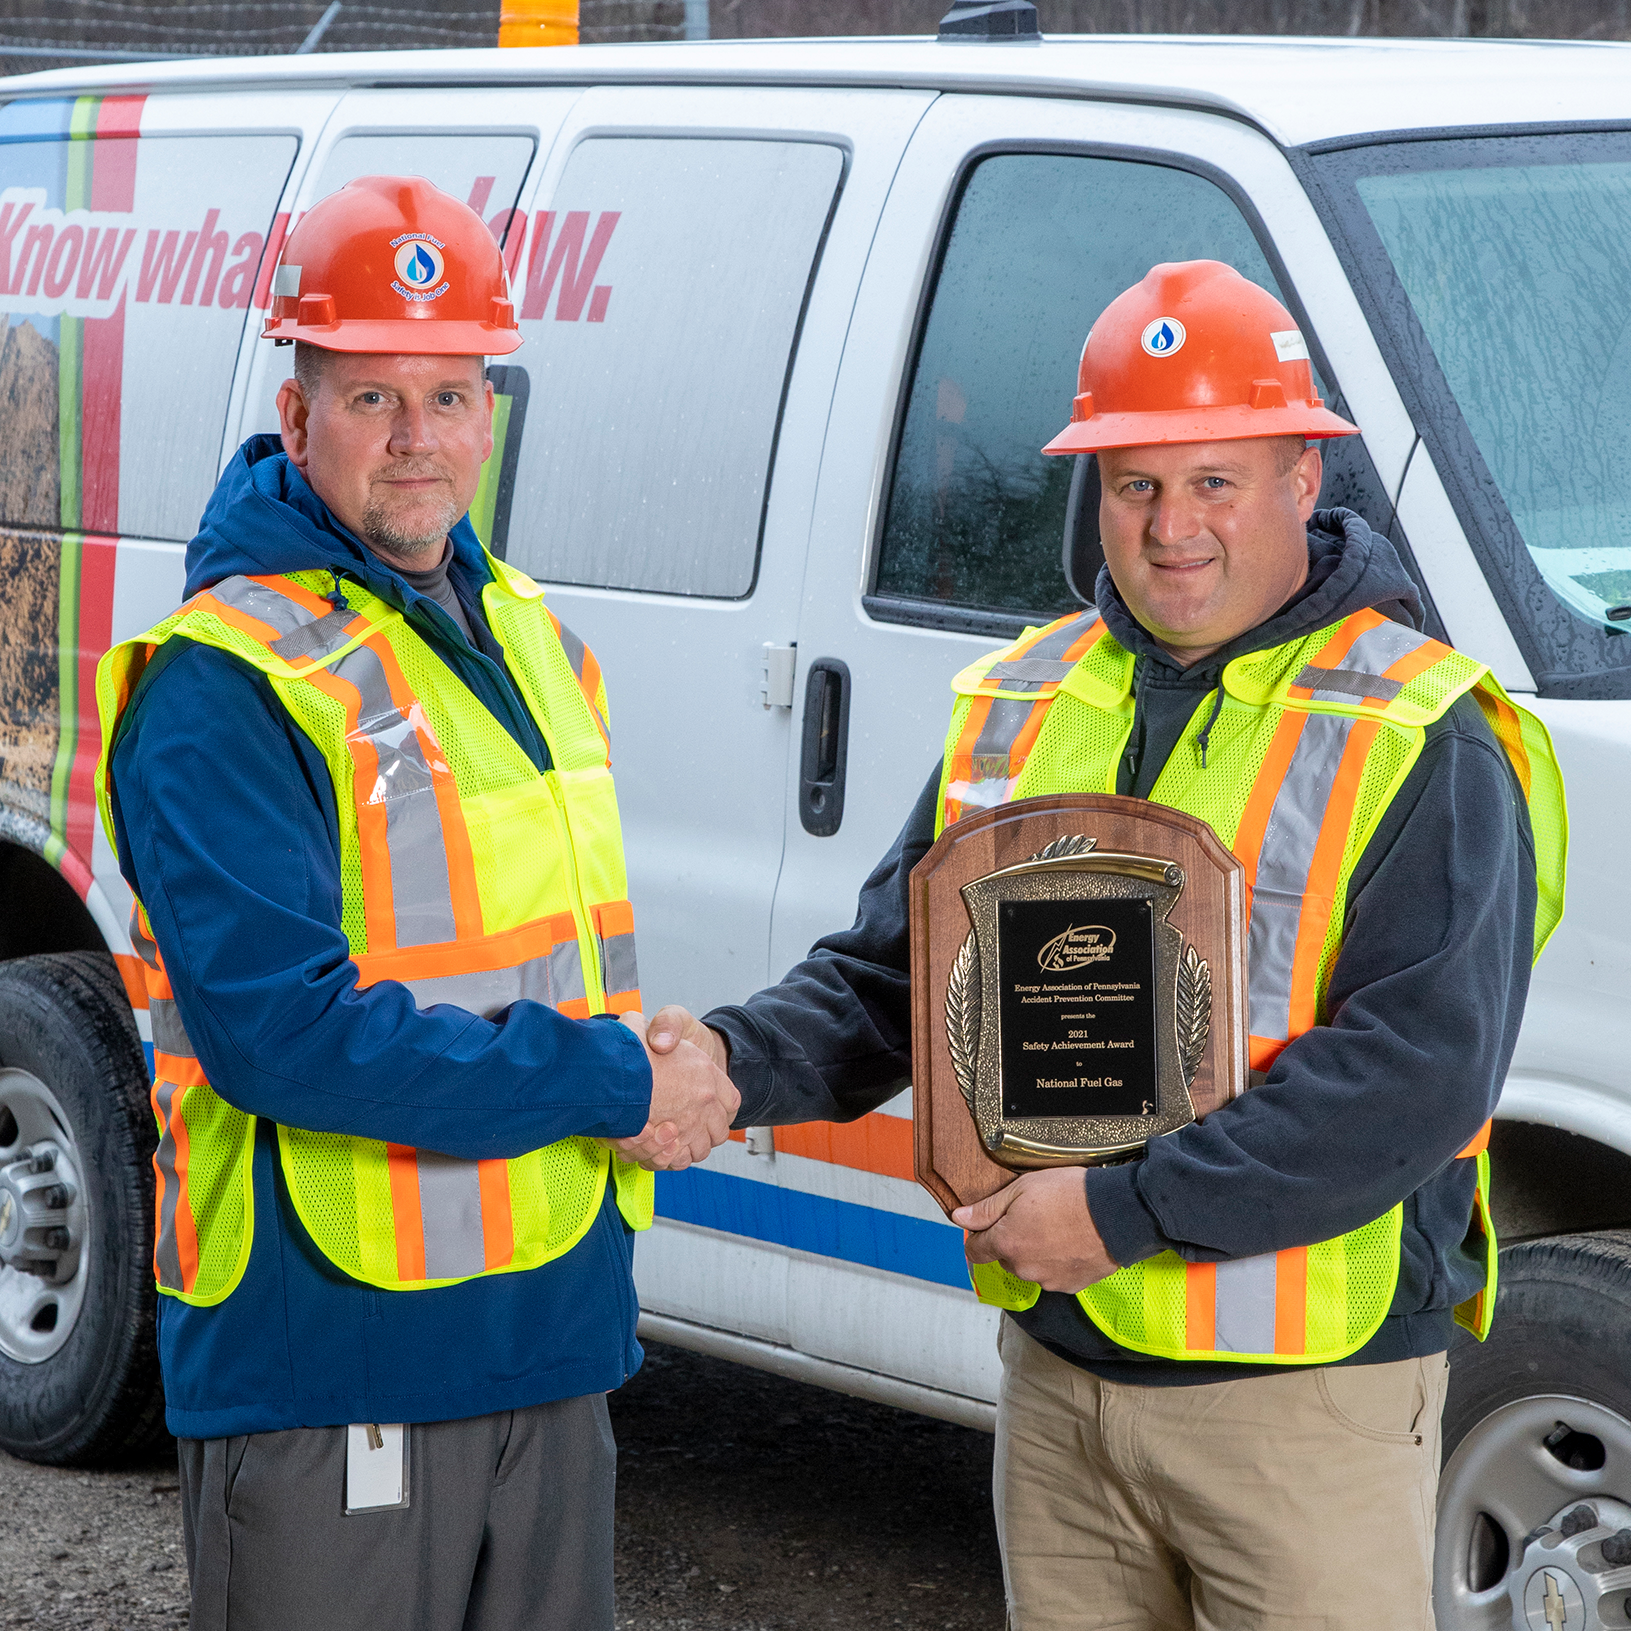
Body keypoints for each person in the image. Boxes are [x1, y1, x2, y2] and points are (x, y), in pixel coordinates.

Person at [634, 260, 1566, 1629]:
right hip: (1062, 1389)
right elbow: (893, 978)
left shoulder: (1416, 733)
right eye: (1133, 483)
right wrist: (724, 1061)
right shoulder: (1022, 699)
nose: (1169, 527)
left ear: (1303, 476)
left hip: (1303, 1403)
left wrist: (1122, 1210)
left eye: (1213, 480)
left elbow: (1410, 1077)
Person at [94, 175, 734, 1631]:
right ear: (296, 403)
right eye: (373, 395)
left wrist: (648, 1047)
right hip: (331, 1354)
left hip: (550, 1340)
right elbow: (281, 1036)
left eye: (450, 394)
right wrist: (610, 1072)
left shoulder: (528, 635)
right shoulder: (223, 683)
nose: (417, 439)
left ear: (492, 409)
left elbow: (546, 954)